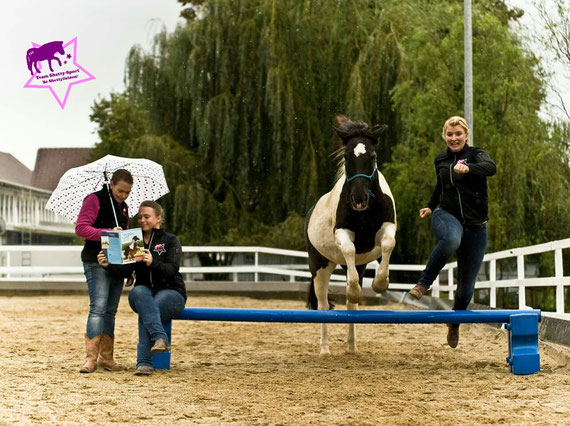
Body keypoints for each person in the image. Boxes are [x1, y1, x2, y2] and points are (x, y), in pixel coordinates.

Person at [408, 116, 496, 348]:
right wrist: (429, 205)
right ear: (444, 136)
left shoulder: (477, 153)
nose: (454, 138)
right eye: (450, 134)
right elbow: (440, 185)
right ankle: (423, 284)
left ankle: (454, 323)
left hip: (476, 225)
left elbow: (491, 168)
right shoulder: (441, 159)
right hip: (446, 215)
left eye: (458, 134)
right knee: (450, 240)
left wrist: (468, 168)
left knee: (466, 288)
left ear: (466, 135)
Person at [97, 201, 187, 376]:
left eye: (147, 216)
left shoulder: (170, 240)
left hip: (172, 292)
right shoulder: (133, 241)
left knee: (151, 306)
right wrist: (107, 265)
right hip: (144, 291)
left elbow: (172, 270)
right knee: (139, 293)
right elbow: (126, 270)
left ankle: (144, 362)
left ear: (158, 218)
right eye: (140, 217)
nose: (142, 220)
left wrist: (153, 263)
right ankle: (159, 338)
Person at [76, 169, 133, 373]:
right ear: (111, 185)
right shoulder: (94, 200)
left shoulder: (124, 209)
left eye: (127, 192)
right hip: (94, 260)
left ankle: (106, 357)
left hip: (116, 265)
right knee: (98, 308)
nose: (124, 196)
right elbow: (81, 228)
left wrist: (129, 270)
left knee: (111, 311)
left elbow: (126, 241)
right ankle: (90, 358)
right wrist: (107, 233)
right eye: (120, 191)